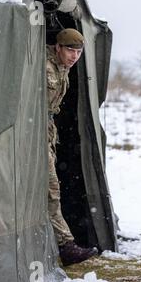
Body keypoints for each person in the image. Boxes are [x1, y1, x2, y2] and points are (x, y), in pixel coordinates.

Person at [47, 28, 98, 266]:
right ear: (58, 47)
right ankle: (65, 245)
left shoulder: (63, 69)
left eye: (78, 51)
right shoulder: (44, 66)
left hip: (46, 133)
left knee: (51, 188)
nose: (74, 55)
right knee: (51, 190)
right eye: (70, 50)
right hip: (32, 134)